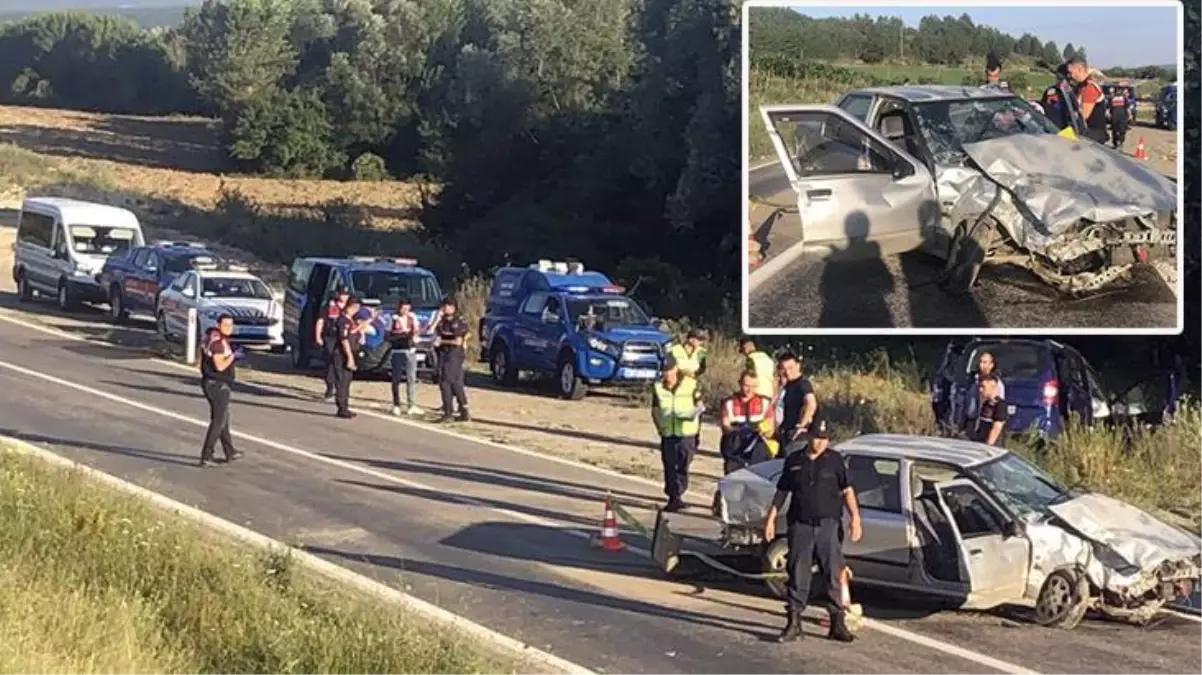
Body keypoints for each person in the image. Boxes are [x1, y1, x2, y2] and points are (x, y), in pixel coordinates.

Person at [762, 415, 861, 643]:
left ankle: (837, 623)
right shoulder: (795, 461)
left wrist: (855, 518)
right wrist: (770, 518)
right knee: (798, 573)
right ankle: (794, 622)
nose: (819, 443)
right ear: (808, 436)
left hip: (828, 525)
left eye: (824, 439)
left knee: (832, 573)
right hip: (801, 524)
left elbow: (847, 491)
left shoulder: (835, 461)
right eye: (816, 437)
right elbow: (782, 492)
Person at [652, 358, 703, 512]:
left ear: (676, 369)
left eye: (669, 370)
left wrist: (697, 431)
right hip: (668, 432)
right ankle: (674, 497)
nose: (667, 374)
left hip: (686, 432)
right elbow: (655, 409)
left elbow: (699, 406)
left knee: (683, 464)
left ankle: (680, 489)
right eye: (664, 371)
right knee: (669, 465)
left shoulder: (691, 385)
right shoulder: (658, 387)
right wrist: (659, 426)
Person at [199, 314, 244, 467]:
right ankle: (206, 455)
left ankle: (229, 451)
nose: (229, 328)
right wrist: (233, 356)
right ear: (218, 324)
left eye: (231, 325)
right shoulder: (217, 342)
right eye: (225, 325)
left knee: (224, 417)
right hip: (217, 385)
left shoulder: (214, 337)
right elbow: (220, 366)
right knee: (219, 421)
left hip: (215, 384)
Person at [719, 372, 775, 474]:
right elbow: (725, 426)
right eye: (746, 386)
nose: (749, 390)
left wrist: (763, 430)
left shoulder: (765, 402)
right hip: (735, 449)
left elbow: (771, 430)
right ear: (739, 383)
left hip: (758, 451)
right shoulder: (728, 403)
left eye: (753, 386)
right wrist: (738, 431)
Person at [668, 329, 709, 449]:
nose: (701, 343)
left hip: (693, 388)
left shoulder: (701, 352)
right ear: (690, 339)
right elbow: (668, 367)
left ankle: (694, 439)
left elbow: (702, 369)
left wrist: (694, 375)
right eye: (699, 340)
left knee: (697, 412)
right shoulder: (675, 351)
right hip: (677, 387)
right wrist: (680, 373)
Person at [433, 296, 470, 422]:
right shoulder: (442, 321)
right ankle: (462, 410)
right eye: (444, 306)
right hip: (443, 354)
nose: (445, 308)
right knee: (452, 382)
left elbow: (458, 341)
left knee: (446, 382)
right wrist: (436, 319)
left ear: (453, 308)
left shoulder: (457, 322)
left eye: (448, 306)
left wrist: (442, 341)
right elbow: (434, 331)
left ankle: (449, 412)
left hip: (454, 355)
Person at [388, 298, 423, 416]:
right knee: (396, 378)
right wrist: (401, 336)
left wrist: (415, 336)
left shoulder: (413, 318)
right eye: (403, 308)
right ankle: (396, 404)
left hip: (410, 351)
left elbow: (417, 332)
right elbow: (387, 336)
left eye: (408, 309)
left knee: (411, 378)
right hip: (397, 351)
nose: (405, 311)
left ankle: (411, 404)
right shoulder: (392, 319)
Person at [775, 352, 818, 449]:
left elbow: (811, 403)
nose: (787, 372)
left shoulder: (802, 384)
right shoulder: (787, 384)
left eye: (790, 368)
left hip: (797, 437)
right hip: (785, 433)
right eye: (783, 369)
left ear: (798, 366)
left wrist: (802, 425)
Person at [316, 287, 350, 400]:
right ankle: (330, 387)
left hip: (344, 338)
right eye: (342, 294)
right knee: (330, 362)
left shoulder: (350, 308)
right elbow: (321, 320)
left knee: (341, 363)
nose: (344, 297)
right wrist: (318, 336)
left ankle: (340, 388)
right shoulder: (330, 306)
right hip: (330, 337)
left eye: (346, 294)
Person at [1066, 55, 1109, 144]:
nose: (1070, 76)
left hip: (1093, 133)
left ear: (1080, 69)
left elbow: (1084, 115)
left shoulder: (1089, 87)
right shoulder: (1081, 86)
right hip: (1085, 131)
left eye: (1071, 72)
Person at [332, 296, 361, 419]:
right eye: (354, 308)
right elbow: (344, 340)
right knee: (342, 380)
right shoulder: (343, 321)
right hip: (342, 354)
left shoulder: (351, 320)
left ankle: (345, 405)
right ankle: (341, 407)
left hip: (351, 351)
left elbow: (353, 333)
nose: (356, 310)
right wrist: (349, 357)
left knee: (347, 380)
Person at [966, 375, 1009, 446]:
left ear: (993, 386)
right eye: (980, 386)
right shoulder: (986, 403)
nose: (980, 390)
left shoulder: (1000, 405)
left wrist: (988, 445)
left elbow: (997, 428)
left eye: (983, 386)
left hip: (992, 447)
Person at [1107, 81, 1131, 149]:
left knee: (1118, 130)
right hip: (1118, 116)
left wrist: (1129, 115)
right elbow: (1109, 107)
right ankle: (1117, 143)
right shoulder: (1115, 97)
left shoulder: (1118, 97)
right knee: (1118, 130)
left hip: (1119, 116)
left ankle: (1118, 143)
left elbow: (1127, 107)